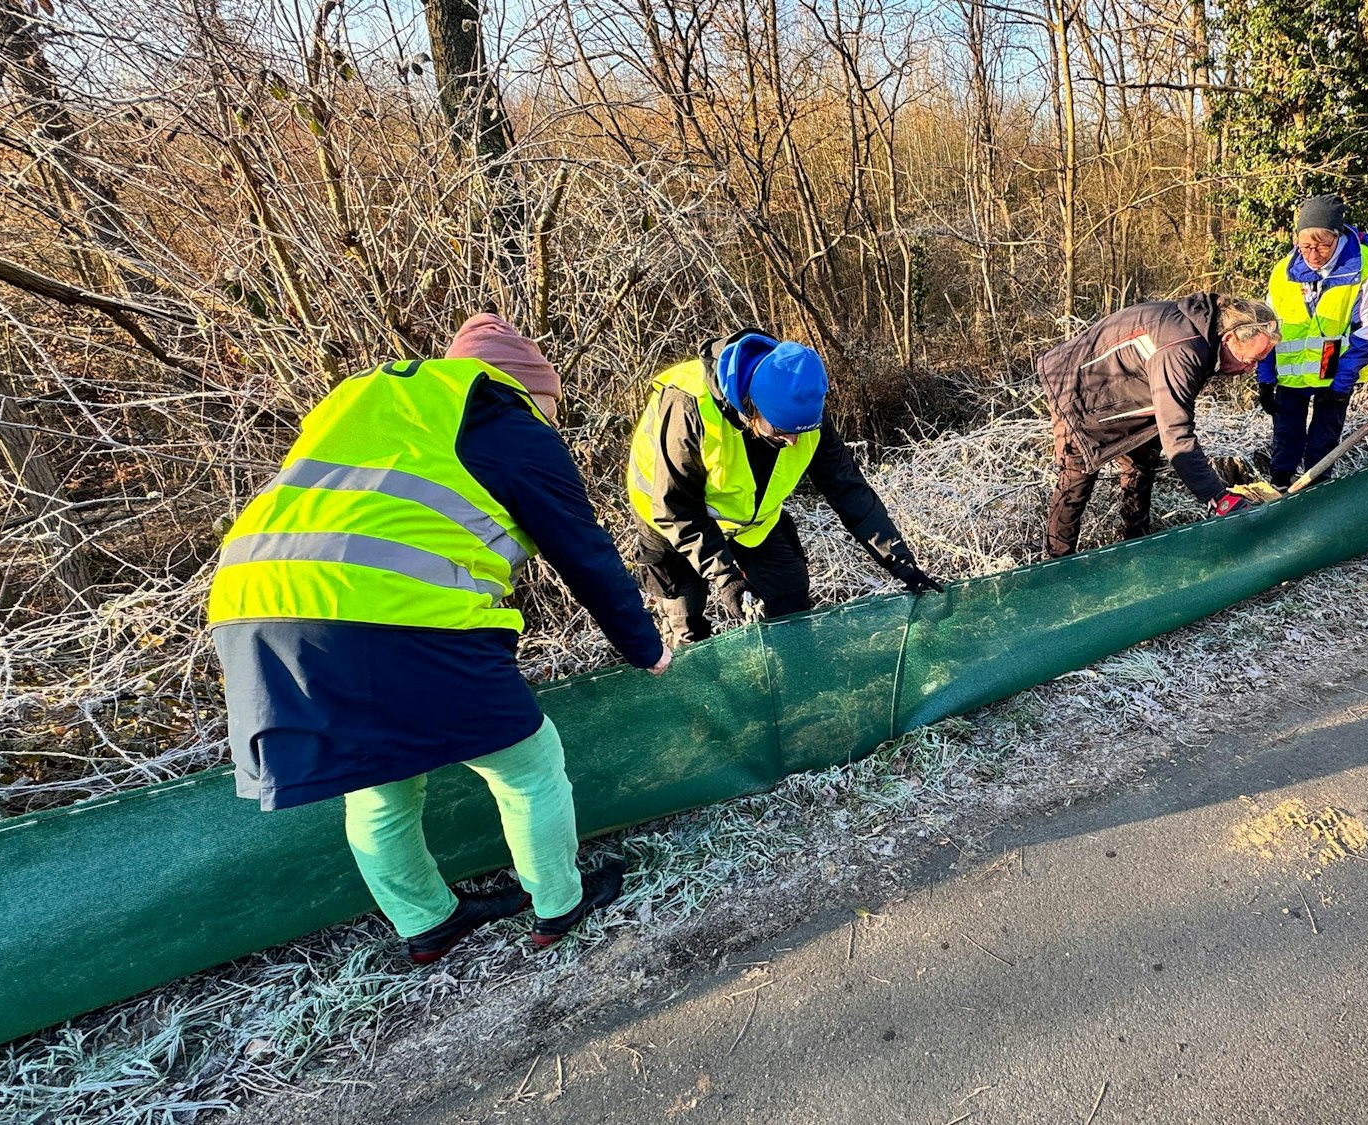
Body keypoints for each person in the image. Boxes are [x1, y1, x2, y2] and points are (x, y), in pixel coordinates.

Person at [207, 313, 671, 964]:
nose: (550, 418)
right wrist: (645, 645)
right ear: (522, 384)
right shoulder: (503, 417)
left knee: (378, 781)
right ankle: (560, 903)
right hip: (385, 609)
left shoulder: (371, 403)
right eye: (550, 403)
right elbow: (585, 553)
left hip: (249, 605)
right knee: (527, 765)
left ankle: (427, 920)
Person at [625, 330, 941, 646]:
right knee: (688, 626)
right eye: (781, 430)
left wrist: (904, 567)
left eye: (800, 431)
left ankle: (793, 677)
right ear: (750, 406)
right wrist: (727, 578)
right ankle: (701, 686)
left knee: (790, 597)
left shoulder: (803, 413)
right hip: (670, 522)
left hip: (750, 522)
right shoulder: (688, 407)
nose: (793, 442)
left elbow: (849, 491)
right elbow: (675, 507)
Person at [1036, 293, 1281, 558]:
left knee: (1141, 464)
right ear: (1230, 338)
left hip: (1131, 391)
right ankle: (1055, 563)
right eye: (1251, 361)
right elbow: (1177, 434)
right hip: (1077, 388)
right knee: (1076, 479)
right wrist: (1219, 497)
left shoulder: (1203, 334)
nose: (1250, 371)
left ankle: (1135, 541)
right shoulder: (1183, 349)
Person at [1257, 195, 1368, 488]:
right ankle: (1279, 486)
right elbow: (1268, 327)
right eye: (1305, 247)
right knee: (1286, 436)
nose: (1313, 255)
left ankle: (1316, 490)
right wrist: (1265, 377)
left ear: (1337, 237)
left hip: (1335, 369)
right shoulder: (1282, 271)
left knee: (1323, 440)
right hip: (1291, 373)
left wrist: (1342, 383)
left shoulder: (1364, 266)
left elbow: (1367, 331)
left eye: (1322, 246)